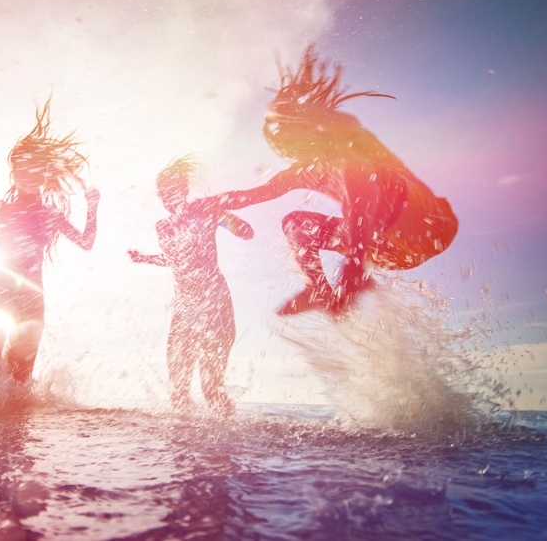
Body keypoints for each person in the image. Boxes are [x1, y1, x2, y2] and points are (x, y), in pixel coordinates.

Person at [223, 45, 458, 316]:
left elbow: (358, 177)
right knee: (296, 224)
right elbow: (255, 195)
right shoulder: (302, 171)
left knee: (355, 170)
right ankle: (317, 288)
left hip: (431, 225)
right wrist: (208, 203)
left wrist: (355, 262)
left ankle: (356, 268)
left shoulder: (351, 137)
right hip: (390, 251)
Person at [0, 99, 99, 409]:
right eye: (20, 170)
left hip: (31, 297)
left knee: (20, 386)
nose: (26, 176)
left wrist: (93, 208)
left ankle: (14, 447)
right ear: (14, 175)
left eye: (33, 171)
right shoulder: (1, 208)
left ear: (43, 177)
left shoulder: (51, 214)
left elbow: (85, 242)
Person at [128, 156, 254, 417]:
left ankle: (226, 443)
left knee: (211, 388)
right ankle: (183, 449)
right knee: (177, 388)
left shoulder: (207, 213)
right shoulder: (163, 226)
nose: (165, 198)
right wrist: (144, 259)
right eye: (161, 194)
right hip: (184, 307)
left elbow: (247, 232)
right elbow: (175, 260)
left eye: (170, 192)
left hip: (214, 300)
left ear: (183, 192)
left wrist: (221, 213)